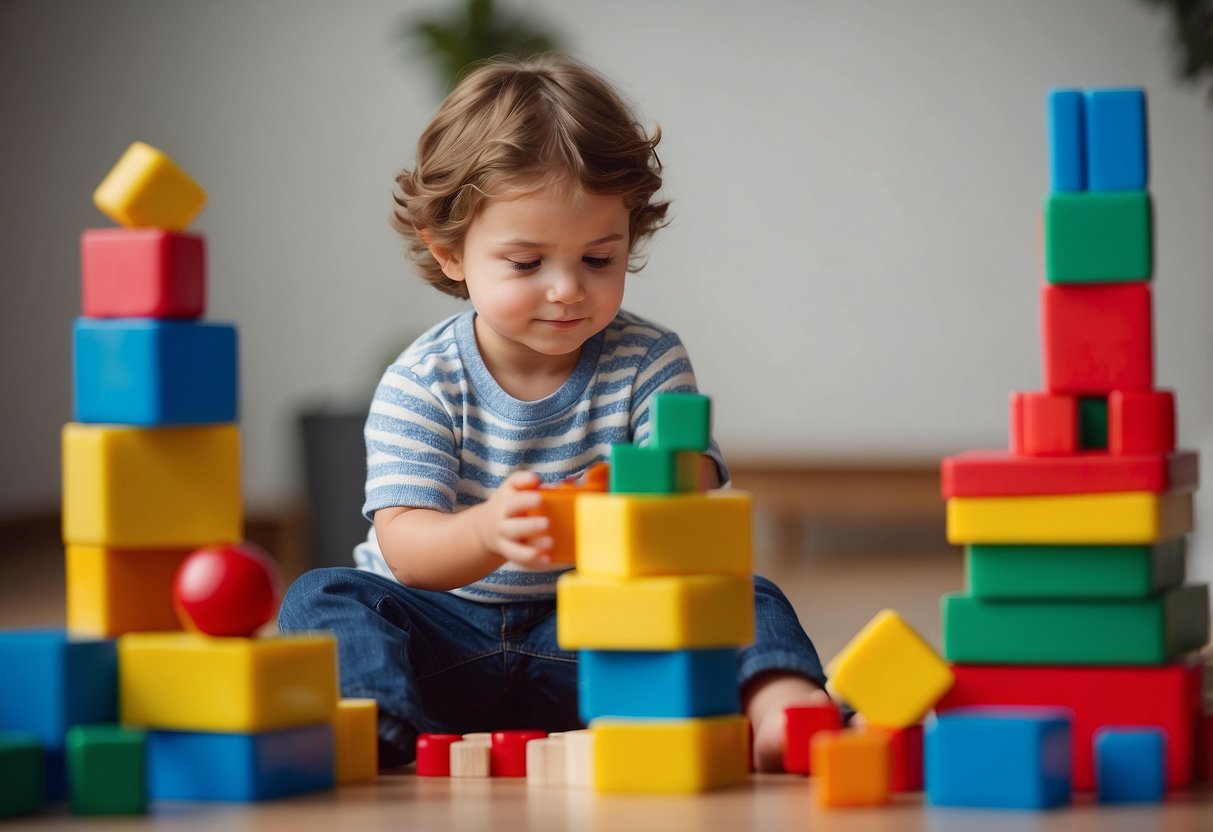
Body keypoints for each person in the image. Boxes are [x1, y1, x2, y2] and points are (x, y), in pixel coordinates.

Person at [278, 54, 830, 772]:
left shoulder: (648, 360)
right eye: (527, 263)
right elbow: (407, 552)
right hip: (444, 643)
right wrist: (487, 530)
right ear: (450, 253)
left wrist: (647, 495)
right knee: (322, 596)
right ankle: (380, 721)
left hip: (588, 637)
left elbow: (692, 491)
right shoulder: (422, 381)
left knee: (742, 593)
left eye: (597, 260)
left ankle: (781, 703)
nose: (567, 289)